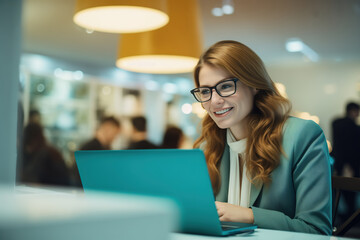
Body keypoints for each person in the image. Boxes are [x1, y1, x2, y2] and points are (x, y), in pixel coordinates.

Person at [190, 40, 332, 235]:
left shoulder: (302, 136)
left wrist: (248, 215)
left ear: (254, 84)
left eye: (225, 86)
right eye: (205, 91)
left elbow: (316, 230)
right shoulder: (208, 146)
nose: (214, 101)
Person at [331, 102, 360, 220]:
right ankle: (350, 218)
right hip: (351, 164)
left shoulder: (336, 123)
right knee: (351, 191)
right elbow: (352, 148)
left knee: (338, 190)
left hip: (339, 162)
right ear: (353, 111)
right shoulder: (354, 127)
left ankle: (340, 217)